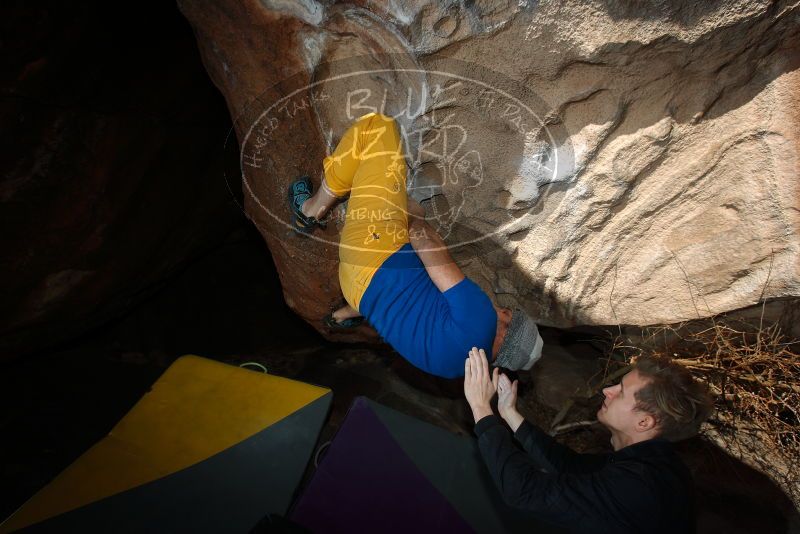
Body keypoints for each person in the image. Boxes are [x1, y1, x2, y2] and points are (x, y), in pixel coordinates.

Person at [287, 112, 543, 378]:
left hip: (372, 254)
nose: (503, 311)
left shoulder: (483, 321)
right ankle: (342, 316)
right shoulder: (457, 371)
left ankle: (309, 209)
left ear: (508, 328)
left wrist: (416, 219)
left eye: (509, 314)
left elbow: (431, 250)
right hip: (358, 294)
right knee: (409, 308)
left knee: (377, 130)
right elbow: (411, 322)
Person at [463, 347, 713, 533]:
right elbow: (569, 466)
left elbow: (524, 491)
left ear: (644, 422)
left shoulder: (639, 486)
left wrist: (480, 408)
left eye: (621, 392)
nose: (607, 390)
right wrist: (509, 412)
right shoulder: (650, 465)